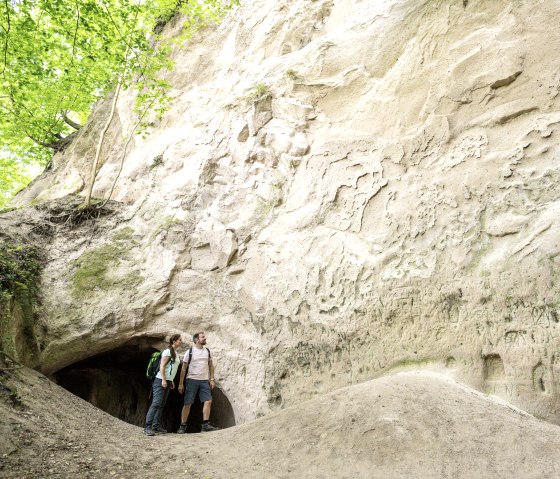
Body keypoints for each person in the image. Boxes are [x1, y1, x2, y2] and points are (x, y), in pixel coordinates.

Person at [177, 332, 219, 433]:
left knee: (208, 401)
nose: (205, 338)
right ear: (196, 340)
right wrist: (181, 383)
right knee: (188, 403)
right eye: (202, 337)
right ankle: (182, 426)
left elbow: (210, 365)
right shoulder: (190, 352)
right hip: (191, 380)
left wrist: (212, 379)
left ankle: (205, 425)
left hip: (204, 380)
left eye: (204, 336)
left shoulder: (207, 351)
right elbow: (183, 368)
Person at [143, 334, 182, 436]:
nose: (181, 342)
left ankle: (156, 426)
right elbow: (162, 366)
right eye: (179, 340)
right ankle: (147, 427)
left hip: (168, 381)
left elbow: (171, 368)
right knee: (156, 403)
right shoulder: (167, 351)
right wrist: (164, 380)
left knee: (161, 404)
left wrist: (171, 380)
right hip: (160, 380)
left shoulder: (175, 353)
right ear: (174, 341)